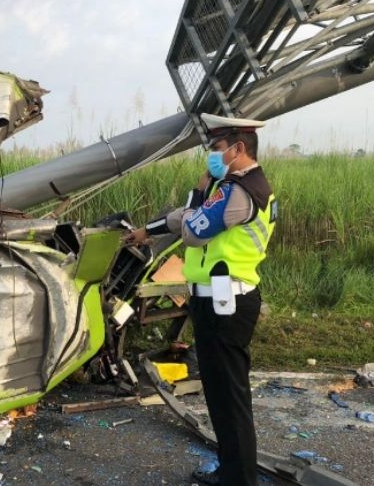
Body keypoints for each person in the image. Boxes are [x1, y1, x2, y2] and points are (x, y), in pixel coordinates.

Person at [124, 113, 277, 485]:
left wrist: (198, 190)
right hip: (216, 302)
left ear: (238, 149)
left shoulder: (240, 192)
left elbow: (193, 230)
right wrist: (146, 231)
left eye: (216, 148)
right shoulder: (237, 187)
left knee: (230, 396)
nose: (210, 155)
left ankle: (238, 479)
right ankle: (231, 472)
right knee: (220, 393)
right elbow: (184, 218)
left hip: (227, 304)